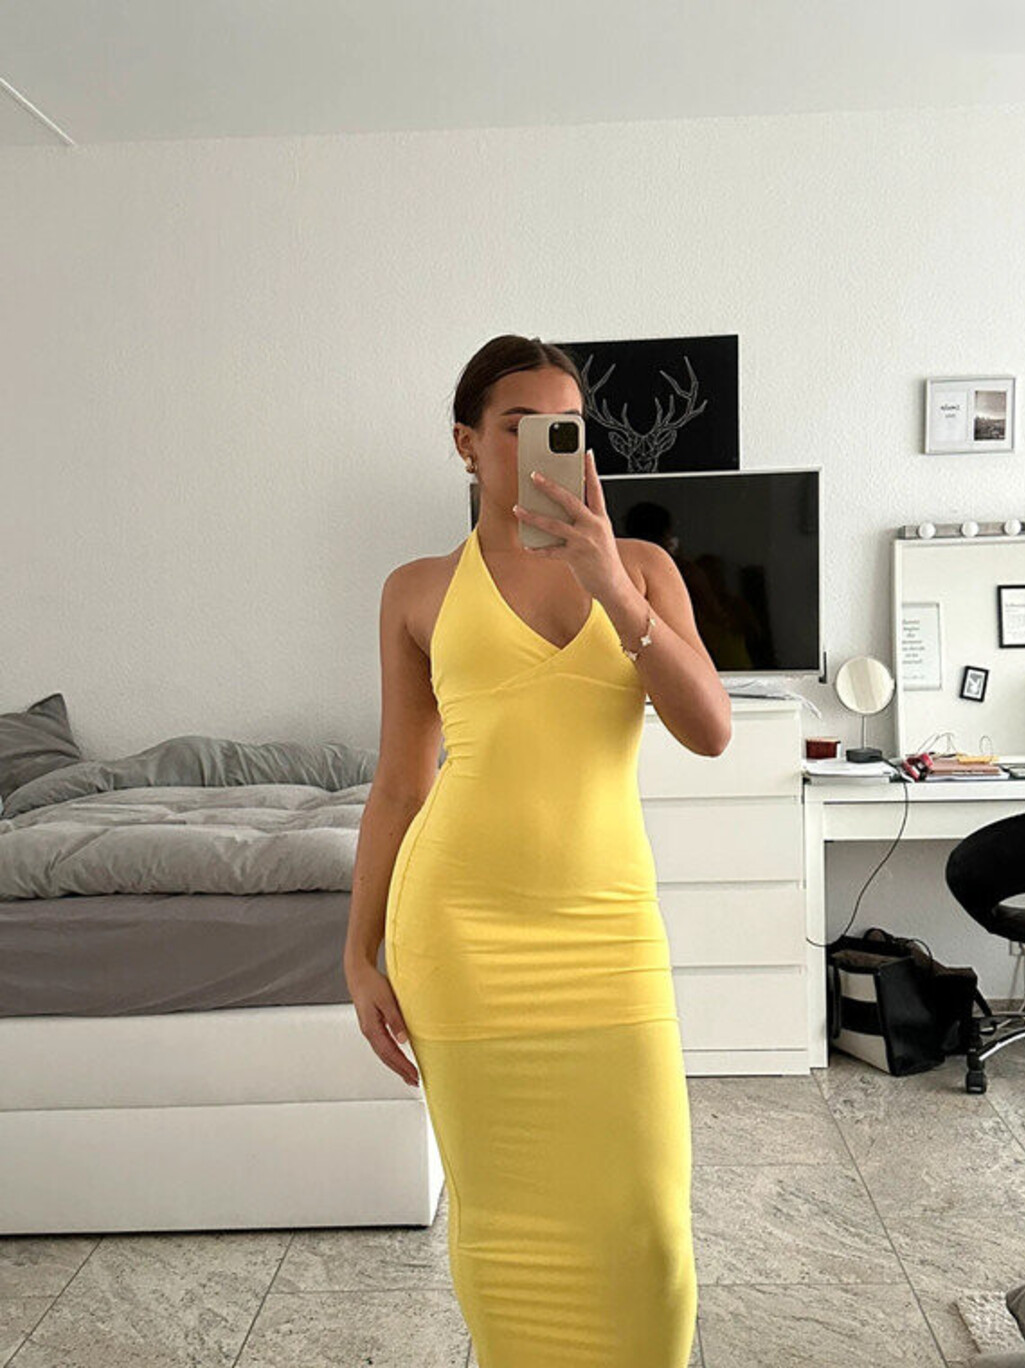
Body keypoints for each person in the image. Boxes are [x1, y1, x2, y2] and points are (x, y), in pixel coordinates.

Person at [343, 334, 731, 1366]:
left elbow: (709, 730)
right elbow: (400, 785)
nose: (544, 442)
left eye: (566, 425)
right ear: (467, 444)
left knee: (650, 1238)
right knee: (502, 1233)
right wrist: (357, 953)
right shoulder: (417, 590)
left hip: (609, 933)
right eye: (518, 425)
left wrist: (610, 584)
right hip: (463, 939)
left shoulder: (641, 568)